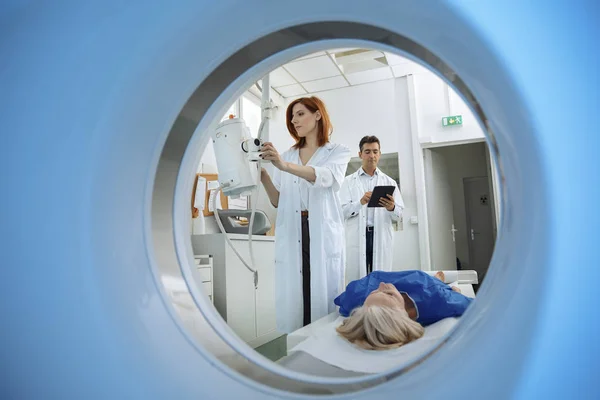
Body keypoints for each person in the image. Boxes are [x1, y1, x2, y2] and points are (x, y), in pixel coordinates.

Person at [259, 96, 351, 333]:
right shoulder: (288, 155)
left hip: (320, 229)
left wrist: (283, 166)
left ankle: (324, 344)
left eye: (300, 114)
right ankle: (297, 348)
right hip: (293, 229)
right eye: (292, 116)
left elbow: (326, 177)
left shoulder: (337, 152)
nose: (294, 120)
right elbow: (278, 199)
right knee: (296, 294)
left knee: (320, 292)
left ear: (317, 115)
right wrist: (264, 176)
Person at [334, 270, 472, 350]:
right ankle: (438, 281)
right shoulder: (440, 300)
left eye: (375, 292)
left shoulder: (357, 297)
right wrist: (456, 293)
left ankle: (436, 279)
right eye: (389, 295)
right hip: (430, 286)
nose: (382, 285)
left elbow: (343, 303)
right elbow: (473, 304)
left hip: (410, 280)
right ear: (405, 315)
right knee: (450, 292)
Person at [339, 135, 404, 284]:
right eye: (367, 151)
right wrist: (360, 202)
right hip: (357, 236)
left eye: (375, 151)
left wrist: (391, 207)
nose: (372, 155)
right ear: (360, 154)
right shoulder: (348, 182)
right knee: (357, 280)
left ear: (379, 154)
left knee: (380, 280)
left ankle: (378, 307)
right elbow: (341, 212)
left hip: (380, 235)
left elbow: (399, 215)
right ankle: (357, 307)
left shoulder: (389, 182)